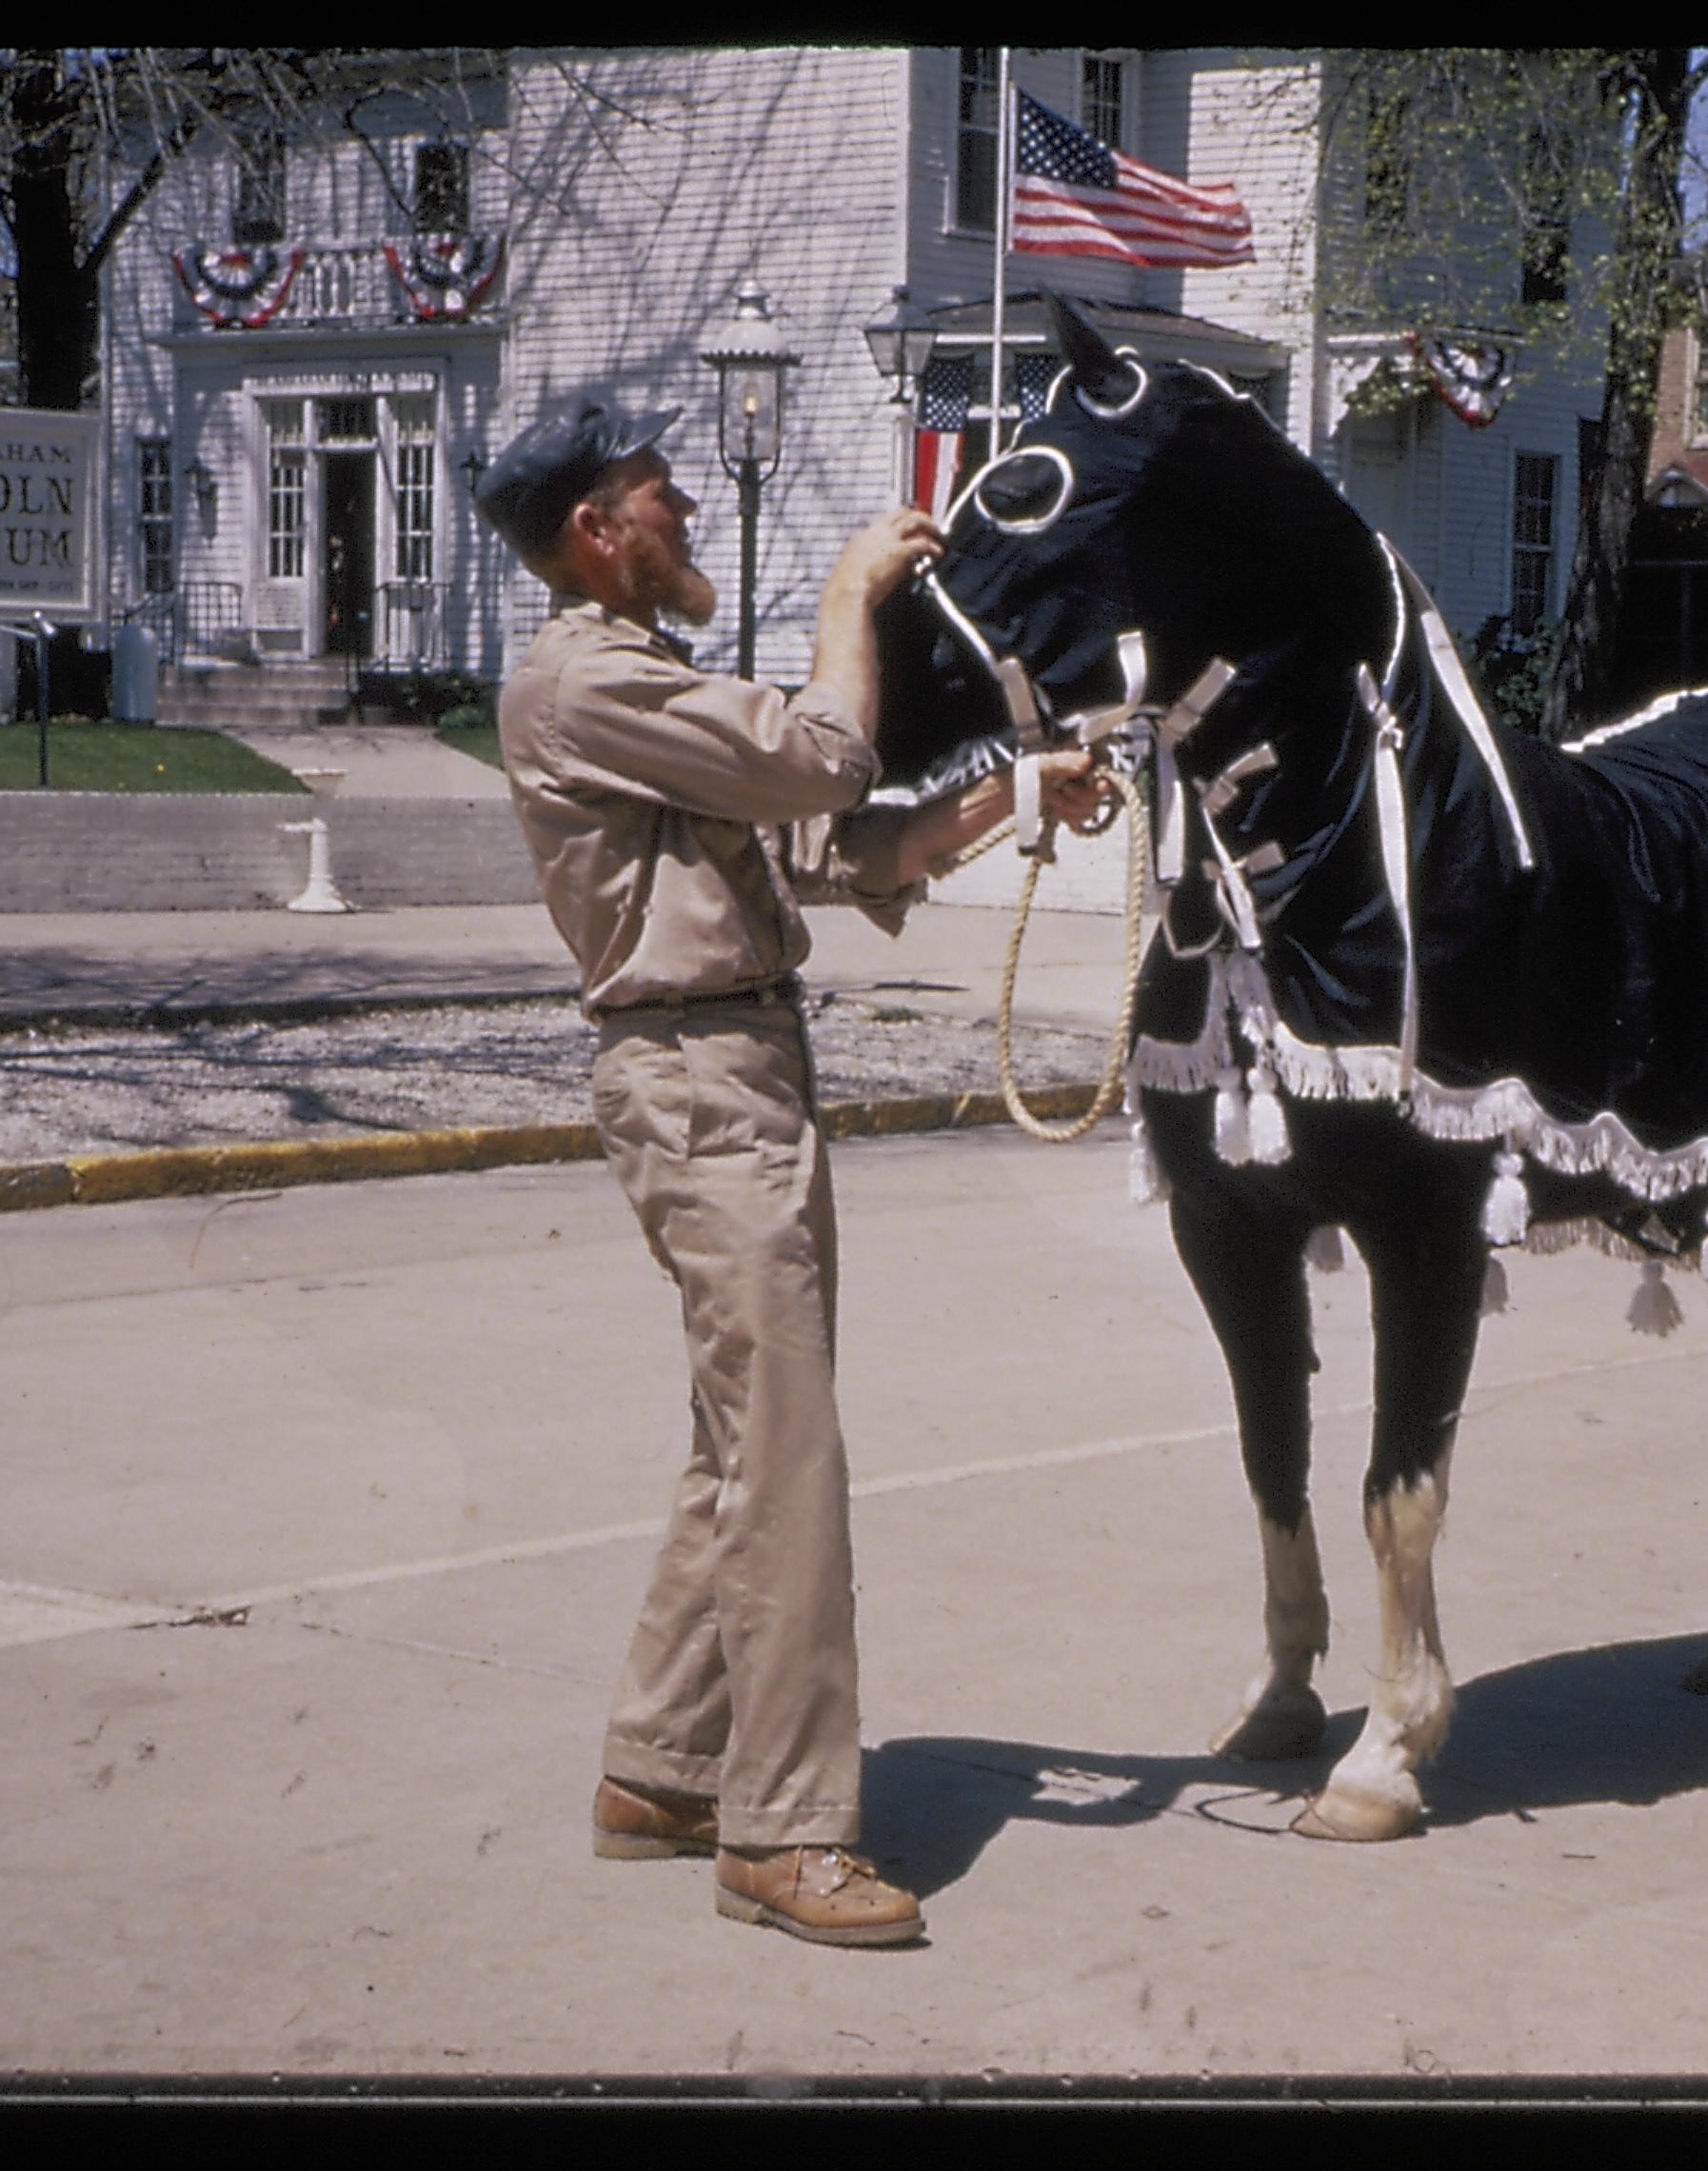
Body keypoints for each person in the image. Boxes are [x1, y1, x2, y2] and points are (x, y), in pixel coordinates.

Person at [474, 396, 1096, 1947]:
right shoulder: (583, 675)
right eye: (656, 495)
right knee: (789, 1457)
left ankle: (667, 1771)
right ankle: (786, 1832)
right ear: (591, 535)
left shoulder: (647, 681)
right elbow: (825, 759)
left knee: (740, 1438)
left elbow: (839, 849)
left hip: (739, 1067)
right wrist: (847, 595)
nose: (684, 510)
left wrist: (1013, 799)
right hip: (695, 1077)